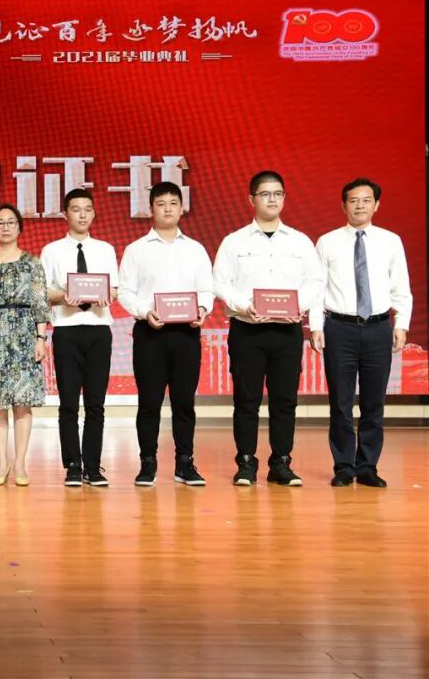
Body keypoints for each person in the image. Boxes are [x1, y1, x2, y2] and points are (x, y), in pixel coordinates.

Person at [213, 171, 323, 487]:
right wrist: (243, 305)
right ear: (252, 199)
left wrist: (299, 306)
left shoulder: (300, 241)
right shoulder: (234, 241)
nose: (272, 199)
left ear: (284, 198)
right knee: (246, 400)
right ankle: (246, 462)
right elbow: (220, 282)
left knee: (284, 400)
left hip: (287, 331)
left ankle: (281, 462)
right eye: (265, 194)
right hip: (247, 329)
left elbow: (315, 281)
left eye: (277, 193)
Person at [310, 178, 412, 488]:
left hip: (379, 328)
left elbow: (401, 287)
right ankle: (343, 466)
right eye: (353, 200)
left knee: (373, 402)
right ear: (344, 205)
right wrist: (316, 326)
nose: (359, 206)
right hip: (339, 328)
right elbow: (317, 289)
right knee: (340, 402)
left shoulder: (391, 241)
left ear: (376, 205)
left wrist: (402, 324)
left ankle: (367, 466)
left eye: (366, 200)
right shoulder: (327, 242)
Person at [118, 182, 214, 487]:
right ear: (151, 209)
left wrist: (202, 309)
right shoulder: (136, 250)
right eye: (161, 203)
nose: (168, 208)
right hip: (150, 333)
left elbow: (207, 289)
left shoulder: (195, 249)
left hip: (186, 334)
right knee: (149, 402)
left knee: (184, 402)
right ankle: (147, 462)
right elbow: (125, 292)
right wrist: (145, 311)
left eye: (173, 202)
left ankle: (185, 463)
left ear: (182, 208)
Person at [40, 188, 118, 488]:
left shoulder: (106, 249)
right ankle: (73, 464)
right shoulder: (52, 250)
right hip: (66, 330)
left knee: (96, 402)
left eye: (87, 209)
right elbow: (43, 291)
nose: (82, 215)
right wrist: (64, 296)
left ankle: (93, 466)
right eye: (76, 209)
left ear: (94, 213)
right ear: (65, 214)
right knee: (69, 402)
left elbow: (114, 289)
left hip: (98, 328)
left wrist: (105, 296)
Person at [0, 204, 50, 487]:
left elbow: (40, 303)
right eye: (0, 222)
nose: (5, 227)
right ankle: (1, 461)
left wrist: (41, 339)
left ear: (19, 227)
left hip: (24, 334)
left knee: (22, 401)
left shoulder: (32, 263)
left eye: (11, 222)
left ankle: (20, 463)